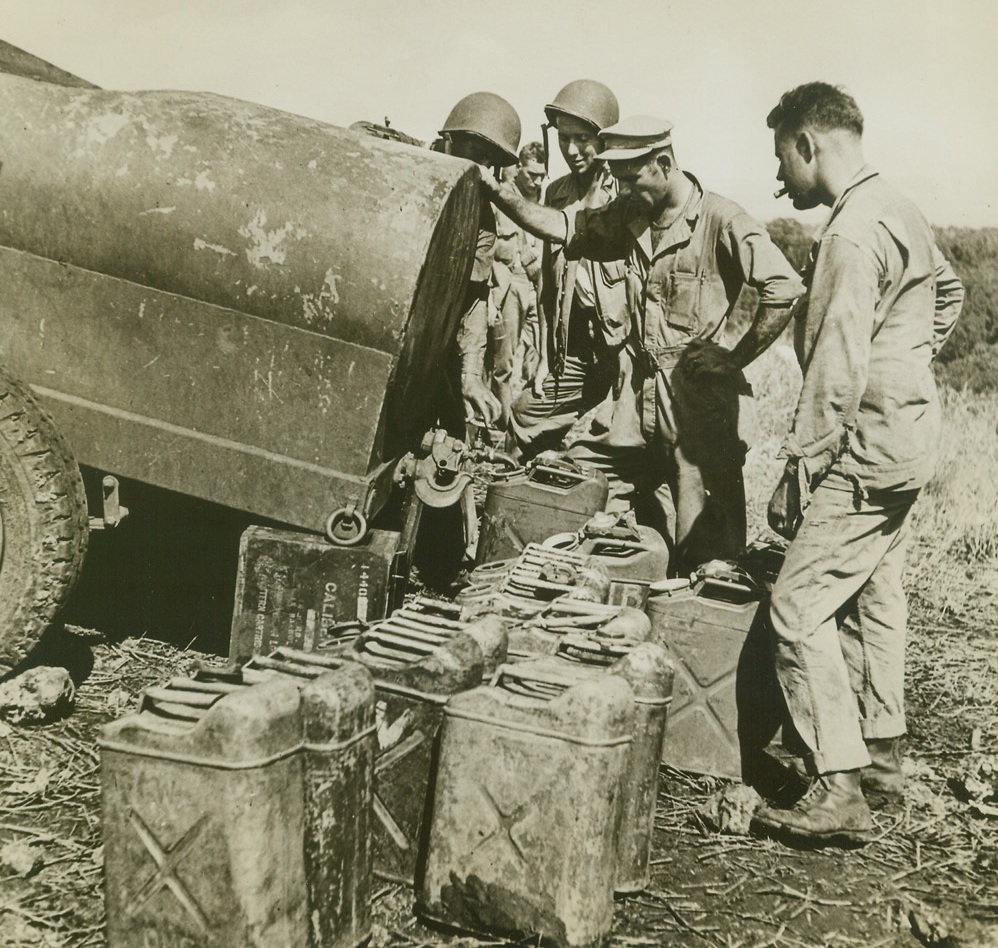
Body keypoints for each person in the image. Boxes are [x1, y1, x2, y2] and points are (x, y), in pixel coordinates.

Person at [750, 82, 964, 845]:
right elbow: (949, 292)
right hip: (911, 435)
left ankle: (838, 786)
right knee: (876, 589)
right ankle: (882, 753)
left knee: (798, 606)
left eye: (783, 158)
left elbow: (836, 363)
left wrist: (799, 463)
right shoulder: (899, 207)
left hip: (868, 447)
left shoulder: (848, 234)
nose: (780, 179)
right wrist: (906, 365)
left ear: (809, 144)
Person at [480, 115, 804, 575]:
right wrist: (504, 196)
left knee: (704, 557)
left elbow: (784, 288)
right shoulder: (632, 216)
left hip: (697, 414)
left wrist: (732, 356)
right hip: (634, 402)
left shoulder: (721, 218)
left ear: (664, 163)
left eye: (633, 179)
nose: (624, 190)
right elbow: (563, 228)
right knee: (576, 486)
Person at [508, 79, 628, 460]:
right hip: (578, 350)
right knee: (525, 415)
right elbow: (546, 284)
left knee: (631, 445)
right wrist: (545, 356)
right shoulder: (556, 193)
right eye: (563, 138)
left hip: (625, 351)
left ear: (605, 138)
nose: (571, 150)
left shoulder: (630, 191)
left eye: (582, 139)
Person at [437, 92, 522, 430]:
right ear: (449, 141)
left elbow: (474, 296)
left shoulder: (481, 215)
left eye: (489, 162)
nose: (481, 169)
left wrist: (471, 373)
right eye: (475, 152)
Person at [492, 142, 545, 425]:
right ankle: (501, 424)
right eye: (531, 174)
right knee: (504, 362)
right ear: (518, 170)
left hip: (538, 286)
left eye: (541, 176)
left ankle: (527, 425)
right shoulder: (503, 199)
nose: (536, 181)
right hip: (510, 283)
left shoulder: (544, 202)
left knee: (537, 359)